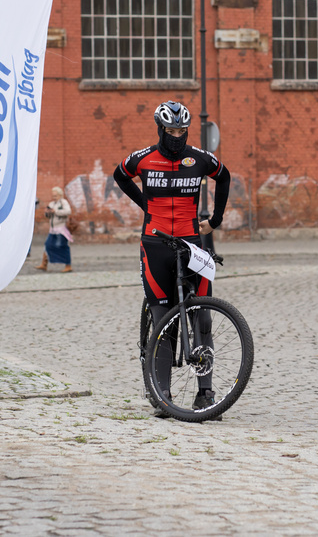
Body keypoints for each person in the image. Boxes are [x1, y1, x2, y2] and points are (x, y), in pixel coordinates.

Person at [113, 101, 231, 411]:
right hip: (155, 245)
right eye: (170, 131)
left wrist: (215, 220)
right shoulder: (143, 159)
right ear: (160, 130)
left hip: (192, 243)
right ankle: (162, 394)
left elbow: (225, 176)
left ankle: (205, 391)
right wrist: (145, 205)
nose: (176, 136)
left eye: (182, 131)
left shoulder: (200, 159)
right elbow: (120, 175)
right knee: (163, 319)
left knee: (202, 318)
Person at [34, 187, 73, 273]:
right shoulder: (52, 203)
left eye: (55, 195)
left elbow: (68, 211)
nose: (54, 197)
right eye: (53, 195)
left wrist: (55, 211)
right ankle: (44, 264)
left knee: (63, 246)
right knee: (47, 245)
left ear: (60, 195)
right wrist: (47, 212)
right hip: (52, 229)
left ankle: (68, 265)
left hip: (61, 229)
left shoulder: (63, 202)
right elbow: (47, 215)